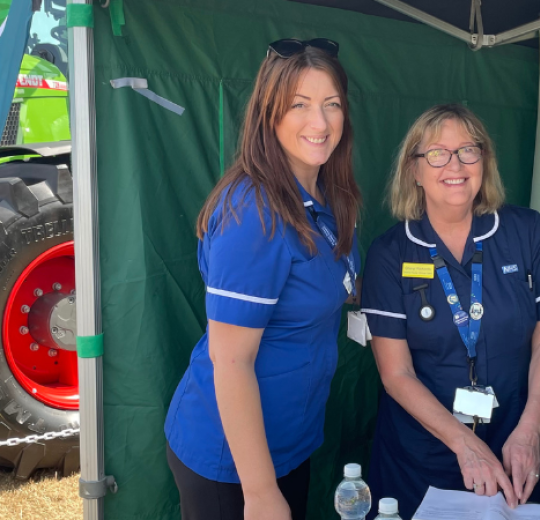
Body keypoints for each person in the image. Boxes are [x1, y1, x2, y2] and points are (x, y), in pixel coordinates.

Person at [164, 38, 360, 520]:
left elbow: (339, 287)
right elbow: (230, 360)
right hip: (232, 464)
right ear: (268, 114)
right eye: (300, 105)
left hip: (289, 443)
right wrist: (259, 492)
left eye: (331, 104)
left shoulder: (326, 198)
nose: (321, 122)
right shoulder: (253, 211)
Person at [361, 104, 540, 519]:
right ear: (414, 170)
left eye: (468, 151)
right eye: (437, 154)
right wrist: (464, 444)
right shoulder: (390, 252)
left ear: (485, 161)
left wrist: (531, 431)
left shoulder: (525, 230)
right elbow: (396, 373)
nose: (455, 165)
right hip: (422, 454)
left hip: (517, 442)